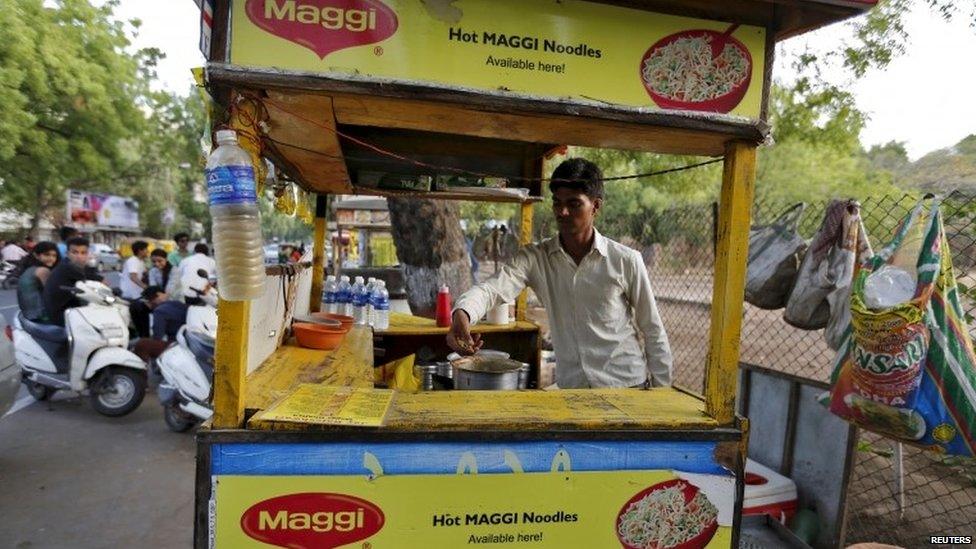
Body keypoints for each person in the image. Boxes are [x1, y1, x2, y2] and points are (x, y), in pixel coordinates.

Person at [447, 158, 673, 389]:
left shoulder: (626, 260)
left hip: (626, 386)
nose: (562, 212)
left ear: (595, 206)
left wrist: (662, 393)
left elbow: (652, 329)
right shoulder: (536, 258)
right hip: (573, 389)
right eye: (557, 202)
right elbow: (491, 290)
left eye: (574, 204)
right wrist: (462, 314)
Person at [42, 237, 103, 326]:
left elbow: (99, 282)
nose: (79, 256)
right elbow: (93, 283)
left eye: (83, 253)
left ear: (88, 254)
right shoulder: (67, 268)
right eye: (75, 252)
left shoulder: (78, 267)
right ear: (67, 254)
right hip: (63, 316)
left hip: (72, 311)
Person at [133, 286, 188, 363]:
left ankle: (144, 372)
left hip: (177, 345)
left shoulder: (159, 311)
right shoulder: (177, 303)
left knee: (142, 344)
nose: (148, 305)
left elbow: (158, 336)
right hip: (188, 342)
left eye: (148, 301)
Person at [16, 241, 59, 322]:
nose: (51, 258)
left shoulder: (30, 269)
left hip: (27, 315)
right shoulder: (43, 271)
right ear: (36, 255)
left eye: (54, 256)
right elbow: (53, 294)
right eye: (47, 254)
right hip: (40, 316)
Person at [122, 241, 150, 336]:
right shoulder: (133, 260)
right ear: (139, 251)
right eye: (146, 249)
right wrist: (145, 287)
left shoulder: (140, 261)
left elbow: (145, 273)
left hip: (137, 294)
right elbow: (133, 277)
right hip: (130, 295)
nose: (147, 251)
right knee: (137, 319)